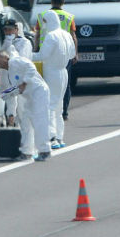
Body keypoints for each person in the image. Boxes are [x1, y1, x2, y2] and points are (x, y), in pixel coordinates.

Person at [0, 50, 51, 161]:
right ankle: (27, 152)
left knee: (39, 121)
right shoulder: (9, 73)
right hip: (29, 97)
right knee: (26, 122)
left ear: (6, 57)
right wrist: (4, 95)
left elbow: (31, 67)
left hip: (39, 92)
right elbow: (17, 89)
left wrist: (24, 82)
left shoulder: (16, 60)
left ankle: (45, 150)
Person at [32, 11, 75, 149]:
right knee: (59, 106)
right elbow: (72, 54)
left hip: (52, 71)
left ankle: (51, 138)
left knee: (49, 105)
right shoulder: (66, 34)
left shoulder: (51, 36)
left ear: (49, 21)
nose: (43, 25)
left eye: (44, 22)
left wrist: (26, 55)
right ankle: (59, 137)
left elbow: (42, 55)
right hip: (64, 71)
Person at [35, 0, 77, 121]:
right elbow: (73, 36)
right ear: (63, 2)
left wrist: (35, 50)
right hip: (64, 55)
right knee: (65, 84)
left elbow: (37, 35)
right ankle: (64, 112)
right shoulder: (69, 17)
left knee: (43, 84)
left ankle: (46, 111)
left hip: (45, 56)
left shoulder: (42, 16)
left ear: (51, 2)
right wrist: (75, 53)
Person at [1, 19, 33, 128]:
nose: (8, 33)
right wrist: (7, 44)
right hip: (8, 80)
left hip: (21, 80)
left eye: (10, 30)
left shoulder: (24, 42)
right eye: (6, 30)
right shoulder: (5, 42)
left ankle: (25, 139)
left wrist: (10, 46)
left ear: (16, 30)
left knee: (22, 111)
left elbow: (21, 59)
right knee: (11, 107)